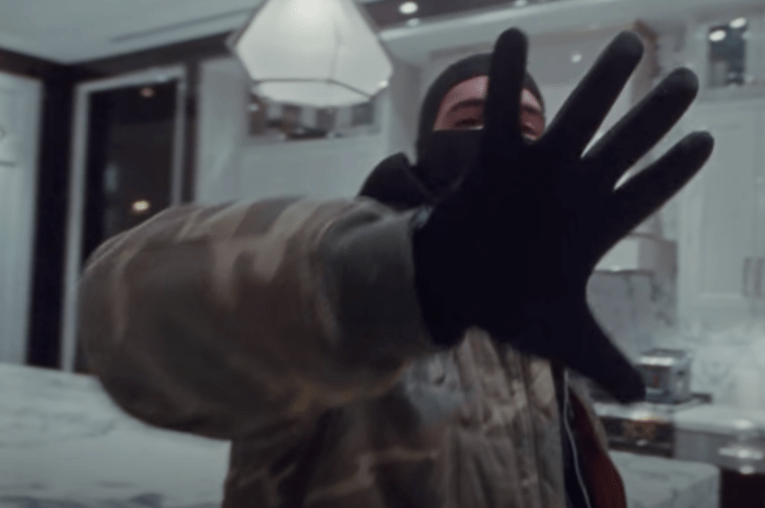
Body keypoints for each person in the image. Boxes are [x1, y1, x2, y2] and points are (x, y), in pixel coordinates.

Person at [76, 28, 714, 508]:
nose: (505, 138)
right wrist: (416, 273)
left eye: (530, 128)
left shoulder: (542, 329)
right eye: (470, 120)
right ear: (426, 145)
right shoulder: (341, 257)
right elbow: (124, 308)